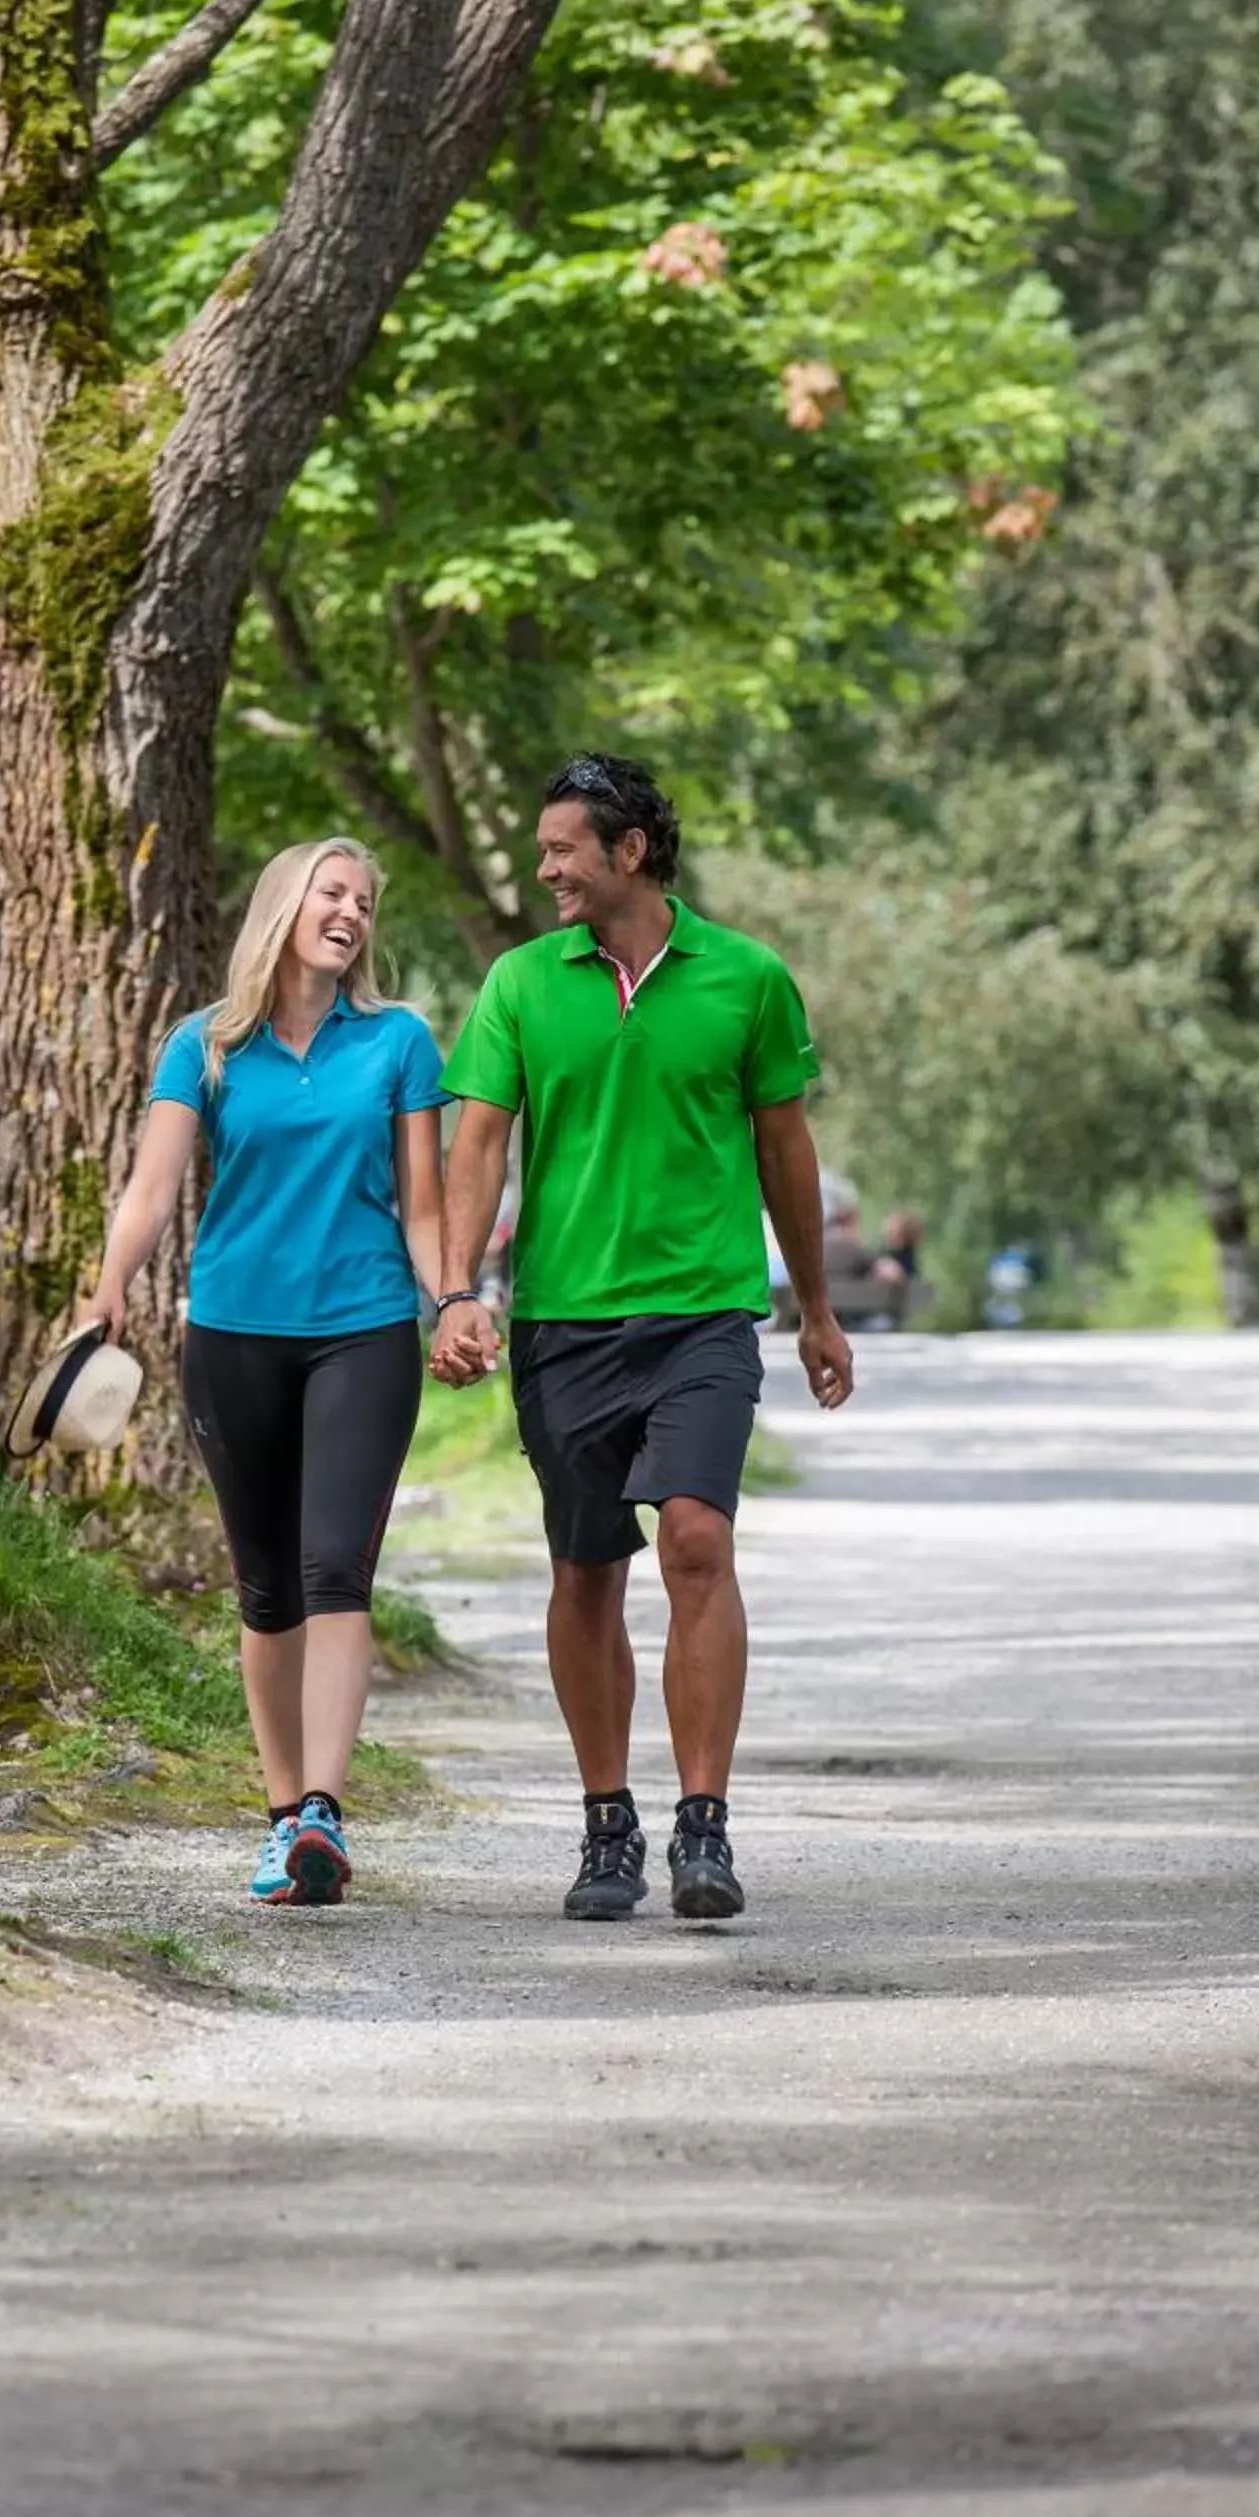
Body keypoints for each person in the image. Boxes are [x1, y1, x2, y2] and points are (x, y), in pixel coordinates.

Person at [429, 755, 854, 1924]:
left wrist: (813, 1309)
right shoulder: (519, 983)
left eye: (562, 846)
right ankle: (605, 1823)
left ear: (629, 851)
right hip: (562, 1318)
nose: (543, 867)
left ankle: (702, 1826)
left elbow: (783, 1152)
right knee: (584, 1568)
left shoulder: (746, 979)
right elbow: (475, 1148)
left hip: (703, 1314)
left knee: (695, 1543)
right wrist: (456, 1291)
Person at [85, 839, 446, 1908]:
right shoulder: (204, 1043)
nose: (350, 913)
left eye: (365, 902)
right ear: (286, 903)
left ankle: (326, 1812)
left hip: (363, 1329)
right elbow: (151, 1190)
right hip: (232, 1333)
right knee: (264, 1586)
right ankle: (282, 1817)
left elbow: (422, 1210)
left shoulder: (397, 1044)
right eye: (333, 893)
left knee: (336, 1566)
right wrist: (109, 1288)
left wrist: (453, 1300)